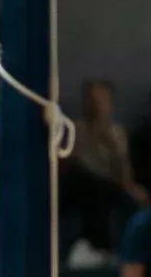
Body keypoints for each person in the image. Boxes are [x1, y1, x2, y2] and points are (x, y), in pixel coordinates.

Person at [61, 78, 143, 256]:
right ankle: (100, 247)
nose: (96, 106)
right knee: (94, 189)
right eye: (92, 101)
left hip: (109, 186)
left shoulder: (117, 133)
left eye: (101, 101)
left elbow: (123, 172)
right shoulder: (77, 128)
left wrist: (131, 186)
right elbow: (71, 164)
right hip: (80, 185)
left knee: (128, 199)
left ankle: (117, 252)